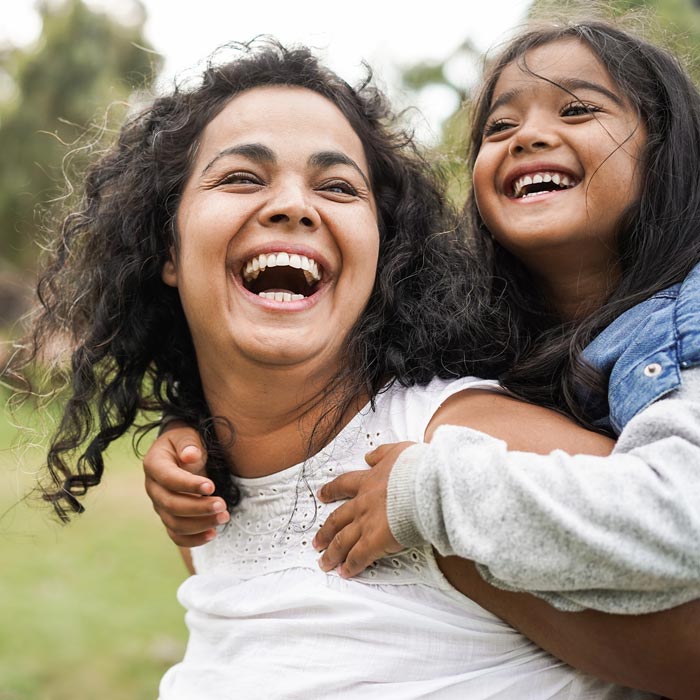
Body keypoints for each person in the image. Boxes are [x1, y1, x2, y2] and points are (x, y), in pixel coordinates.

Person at [16, 37, 678, 699]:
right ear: (167, 245)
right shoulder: (203, 494)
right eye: (242, 177)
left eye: (336, 186)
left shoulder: (463, 455)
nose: (293, 206)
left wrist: (443, 520)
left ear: (381, 253)